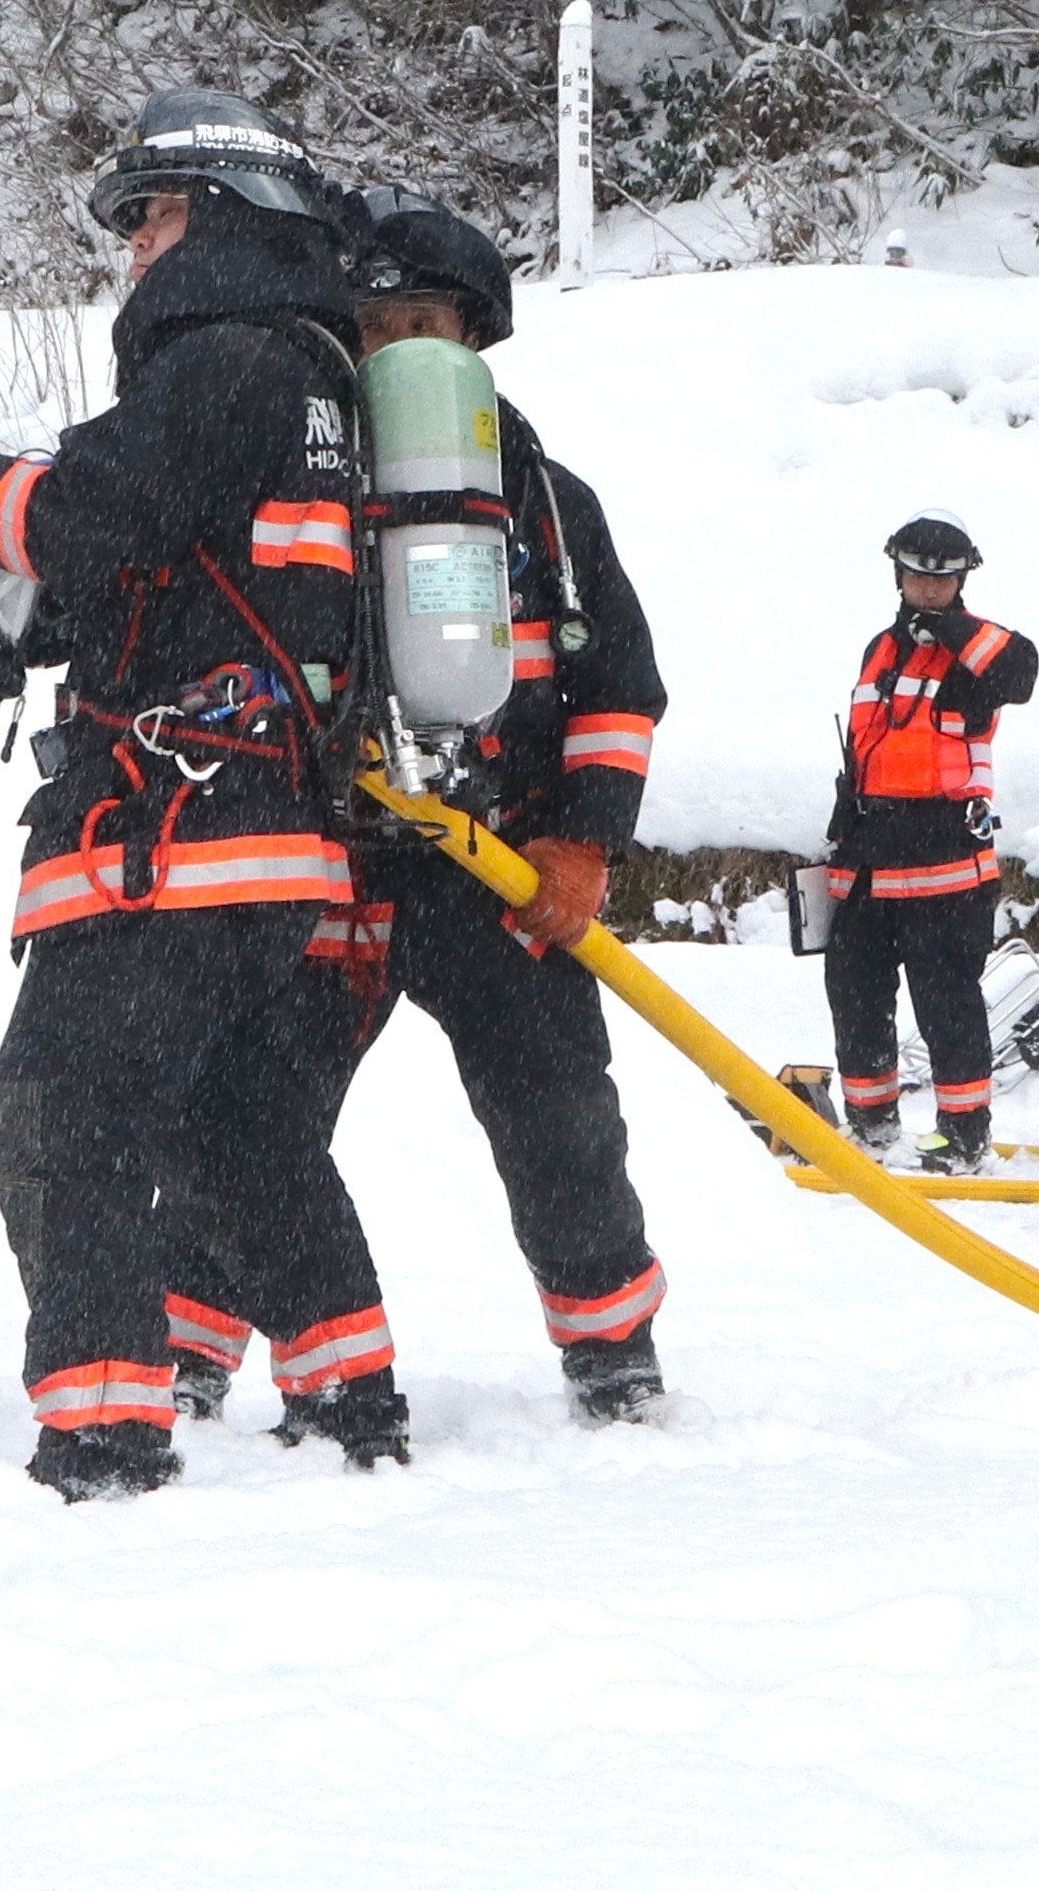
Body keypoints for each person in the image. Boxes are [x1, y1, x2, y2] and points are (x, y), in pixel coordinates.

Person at [0, 91, 394, 1503]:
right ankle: (351, 1392)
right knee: (237, 1127)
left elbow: (87, 513)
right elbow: (163, 566)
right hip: (260, 836)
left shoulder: (225, 361)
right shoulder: (306, 379)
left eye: (148, 216)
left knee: (62, 1107)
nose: (133, 248)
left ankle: (102, 1428)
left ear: (225, 212)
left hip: (173, 839)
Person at [162, 193, 684, 1429]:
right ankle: (186, 1346)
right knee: (246, 1110)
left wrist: (581, 840)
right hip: (319, 860)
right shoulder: (290, 485)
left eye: (422, 323)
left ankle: (611, 1345)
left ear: (471, 337)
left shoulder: (545, 506)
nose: (395, 346)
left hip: (493, 865)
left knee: (558, 1110)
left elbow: (618, 688)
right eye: (372, 324)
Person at [820, 512, 1039, 1173]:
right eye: (918, 576)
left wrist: (950, 627)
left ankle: (964, 1137)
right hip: (867, 856)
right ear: (898, 574)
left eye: (944, 579)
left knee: (946, 1003)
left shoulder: (977, 651)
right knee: (855, 995)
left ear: (963, 580)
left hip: (943, 857)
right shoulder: (879, 649)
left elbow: (1020, 673)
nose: (930, 588)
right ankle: (870, 1125)